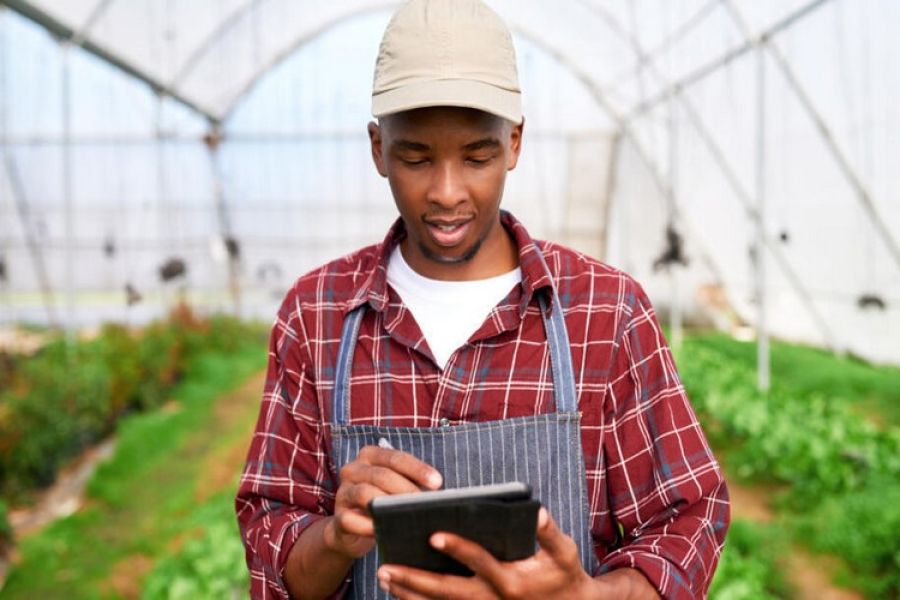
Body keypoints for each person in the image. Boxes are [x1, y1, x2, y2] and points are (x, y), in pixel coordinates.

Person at [235, 1, 730, 598]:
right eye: (415, 157)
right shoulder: (318, 315)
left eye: (478, 156)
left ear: (514, 143)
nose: (447, 193)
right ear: (377, 148)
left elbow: (687, 519)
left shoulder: (603, 311)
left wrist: (587, 594)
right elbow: (273, 540)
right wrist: (336, 538)